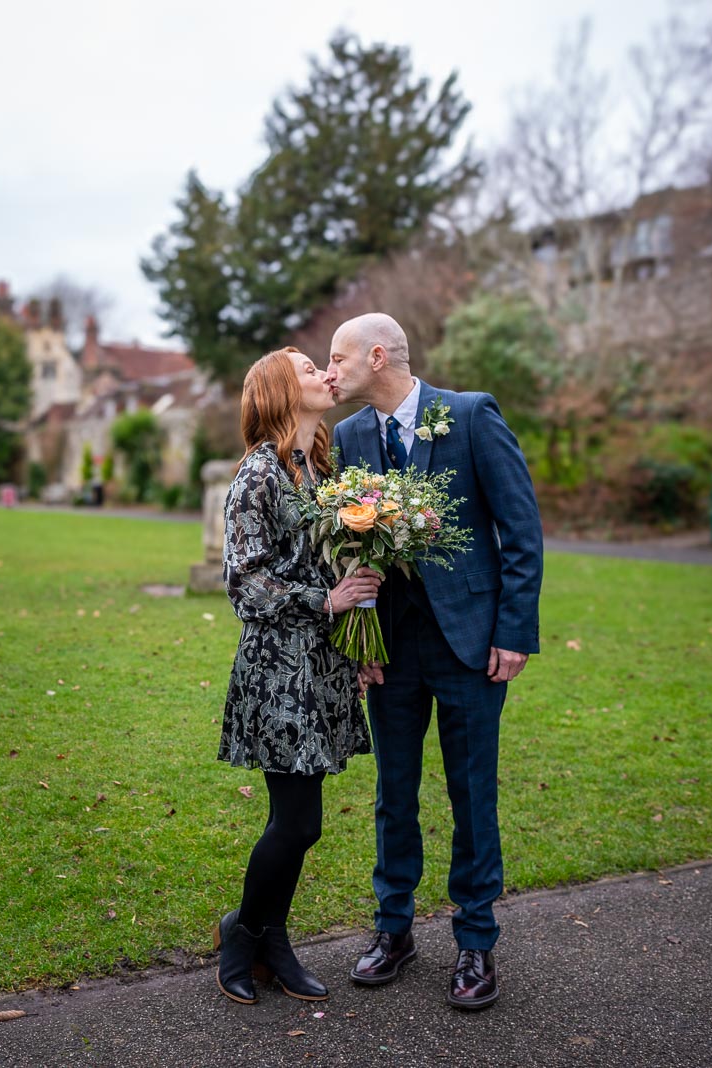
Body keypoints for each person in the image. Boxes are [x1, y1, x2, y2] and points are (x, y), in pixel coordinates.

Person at [325, 313, 543, 1011]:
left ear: (378, 356)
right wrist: (362, 644)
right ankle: (394, 930)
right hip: (392, 651)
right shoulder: (351, 436)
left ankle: (476, 941)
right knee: (394, 791)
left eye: (339, 357)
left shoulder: (471, 417)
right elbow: (350, 552)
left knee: (472, 795)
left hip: (472, 644)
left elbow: (521, 530)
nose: (331, 371)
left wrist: (513, 632)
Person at [214, 346, 383, 1005]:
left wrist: (359, 635)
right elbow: (243, 585)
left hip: (323, 666)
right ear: (283, 392)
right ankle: (245, 931)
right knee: (299, 822)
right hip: (278, 673)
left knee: (303, 820)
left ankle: (269, 942)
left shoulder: (317, 468)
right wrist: (325, 603)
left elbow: (336, 566)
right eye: (310, 370)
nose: (324, 376)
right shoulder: (257, 475)